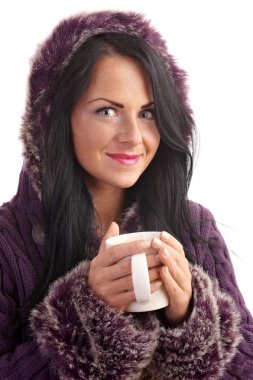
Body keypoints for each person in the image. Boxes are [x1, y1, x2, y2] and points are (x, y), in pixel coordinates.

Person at [0, 10, 252, 380]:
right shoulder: (7, 240)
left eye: (148, 113)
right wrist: (85, 320)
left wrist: (189, 318)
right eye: (107, 111)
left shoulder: (194, 225)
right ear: (54, 118)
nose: (133, 136)